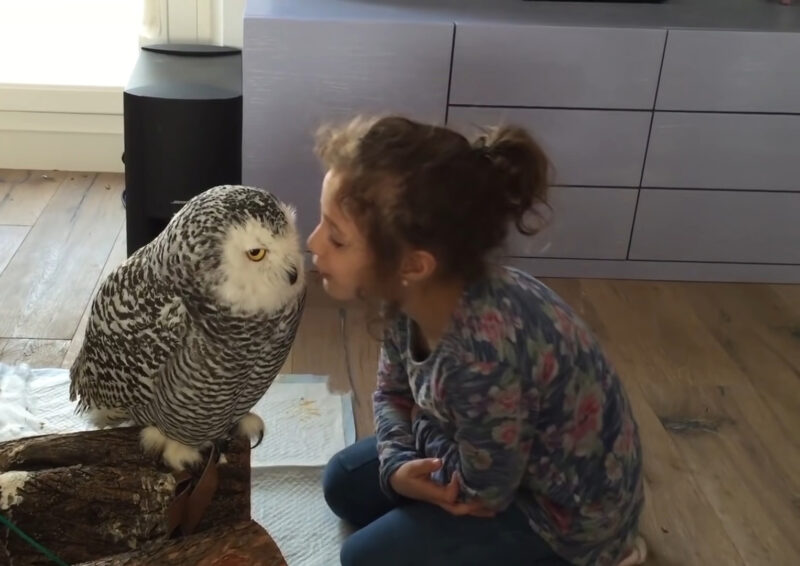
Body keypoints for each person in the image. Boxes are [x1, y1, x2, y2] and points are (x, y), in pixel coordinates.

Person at [307, 115, 647, 566]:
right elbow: (392, 392)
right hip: (476, 449)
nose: (312, 242)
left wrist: (412, 450)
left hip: (557, 517)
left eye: (336, 237)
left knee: (363, 560)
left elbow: (482, 492)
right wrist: (397, 465)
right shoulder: (410, 294)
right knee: (341, 482)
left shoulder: (483, 358)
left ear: (413, 264)